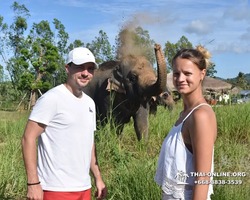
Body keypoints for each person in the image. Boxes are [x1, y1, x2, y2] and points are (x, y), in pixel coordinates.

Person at [22, 47, 107, 200]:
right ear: (67, 68)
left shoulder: (90, 103)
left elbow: (89, 142)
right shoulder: (52, 99)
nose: (85, 73)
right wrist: (33, 183)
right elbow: (28, 138)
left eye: (90, 69)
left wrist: (97, 177)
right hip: (55, 188)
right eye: (80, 67)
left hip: (83, 187)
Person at [154, 45, 217, 200]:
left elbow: (202, 178)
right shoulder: (185, 114)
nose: (180, 79)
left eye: (187, 73)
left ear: (202, 74)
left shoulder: (201, 115)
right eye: (176, 73)